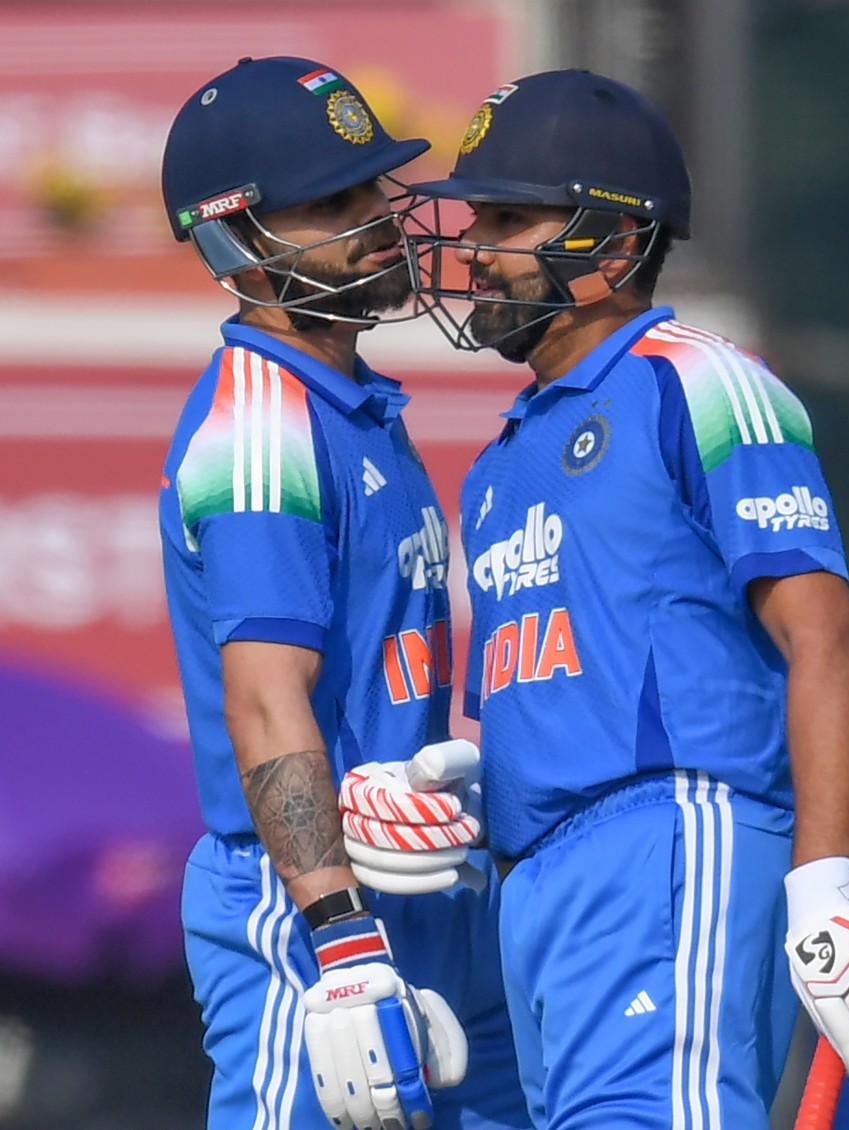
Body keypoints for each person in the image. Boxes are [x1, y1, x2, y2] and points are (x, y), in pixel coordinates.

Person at [338, 69, 849, 1128]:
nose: (474, 247)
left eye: (509, 219)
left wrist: (826, 886)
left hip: (669, 845)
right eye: (478, 218)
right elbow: (579, 677)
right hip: (536, 885)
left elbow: (826, 639)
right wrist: (468, 799)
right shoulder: (500, 460)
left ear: (613, 244)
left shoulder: (695, 381)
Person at [157, 56, 529, 1130]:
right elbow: (266, 697)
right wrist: (340, 933)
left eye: (373, 186)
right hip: (310, 910)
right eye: (332, 202)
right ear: (238, 239)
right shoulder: (262, 427)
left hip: (425, 886)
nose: (377, 219)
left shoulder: (350, 402)